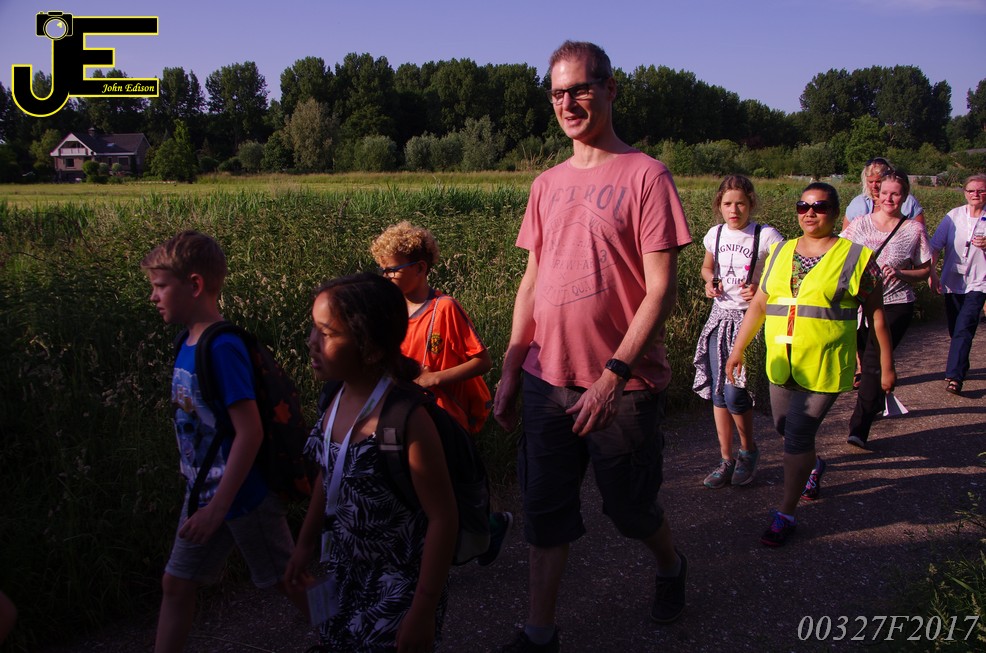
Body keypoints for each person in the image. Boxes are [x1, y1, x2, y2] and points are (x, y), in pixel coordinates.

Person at [492, 41, 692, 652]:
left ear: (610, 89)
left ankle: (671, 566)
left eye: (580, 88)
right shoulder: (546, 184)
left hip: (623, 385)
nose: (569, 103)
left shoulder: (647, 176)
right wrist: (511, 366)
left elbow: (660, 290)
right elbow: (532, 282)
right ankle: (540, 632)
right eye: (558, 93)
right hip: (545, 378)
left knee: (630, 509)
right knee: (544, 510)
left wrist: (612, 375)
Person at [141, 231, 300, 653]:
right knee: (176, 583)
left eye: (160, 286)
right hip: (204, 493)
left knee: (290, 580)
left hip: (242, 496)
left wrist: (218, 509)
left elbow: (250, 432)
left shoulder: (222, 347)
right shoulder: (186, 342)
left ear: (194, 285)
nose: (153, 297)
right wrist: (208, 503)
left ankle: (350, 631)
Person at [285, 273, 458, 653]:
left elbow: (443, 518)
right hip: (342, 571)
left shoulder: (407, 420)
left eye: (326, 333)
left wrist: (423, 610)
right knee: (334, 638)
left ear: (372, 349)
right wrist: (304, 545)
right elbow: (328, 474)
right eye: (314, 329)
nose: (311, 342)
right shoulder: (334, 398)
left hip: (398, 588)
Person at [726, 183, 895, 547]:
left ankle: (785, 514)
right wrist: (738, 348)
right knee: (784, 429)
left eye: (819, 206)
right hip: (783, 362)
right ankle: (814, 466)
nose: (810, 213)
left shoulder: (857, 258)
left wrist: (886, 365)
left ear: (835, 212)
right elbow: (760, 304)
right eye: (803, 206)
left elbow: (877, 316)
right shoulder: (780, 251)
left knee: (798, 436)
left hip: (825, 365)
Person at [370, 220, 513, 566]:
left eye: (392, 270)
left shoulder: (444, 308)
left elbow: (483, 361)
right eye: (382, 270)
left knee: (448, 492)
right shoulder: (389, 312)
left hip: (446, 419)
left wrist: (435, 379)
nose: (386, 277)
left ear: (420, 268)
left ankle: (485, 531)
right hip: (406, 417)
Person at [693, 175, 784, 488]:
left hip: (750, 321)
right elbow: (707, 268)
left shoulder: (766, 235)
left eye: (740, 204)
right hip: (720, 318)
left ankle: (748, 451)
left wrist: (760, 288)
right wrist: (710, 283)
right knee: (719, 393)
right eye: (728, 204)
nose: (734, 210)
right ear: (719, 205)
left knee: (736, 393)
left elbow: (783, 273)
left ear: (751, 203)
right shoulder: (715, 234)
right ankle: (726, 459)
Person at [842, 170, 931, 448]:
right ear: (876, 194)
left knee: (871, 365)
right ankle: (877, 399)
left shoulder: (913, 230)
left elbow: (925, 269)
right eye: (884, 193)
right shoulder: (859, 225)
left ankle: (858, 429)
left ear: (904, 196)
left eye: (895, 194)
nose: (889, 199)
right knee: (863, 357)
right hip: (859, 305)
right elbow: (837, 254)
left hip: (895, 304)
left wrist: (902, 273)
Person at [928, 173, 986, 396]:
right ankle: (961, 363)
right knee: (955, 329)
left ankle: (954, 377)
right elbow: (935, 246)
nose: (976, 194)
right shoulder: (953, 216)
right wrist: (932, 273)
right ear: (964, 193)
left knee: (964, 326)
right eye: (971, 190)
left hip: (979, 282)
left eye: (981, 190)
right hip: (952, 282)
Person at [842, 157, 925, 230]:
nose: (874, 186)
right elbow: (845, 236)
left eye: (878, 181)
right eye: (870, 182)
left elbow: (919, 232)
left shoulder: (908, 202)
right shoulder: (857, 203)